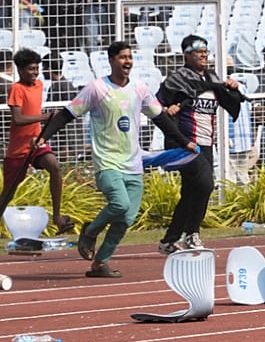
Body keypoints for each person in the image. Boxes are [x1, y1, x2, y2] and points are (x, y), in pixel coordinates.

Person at [34, 42, 195, 278]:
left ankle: (100, 262)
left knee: (126, 218)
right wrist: (43, 137)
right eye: (122, 57)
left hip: (134, 163)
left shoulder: (140, 89)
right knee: (120, 204)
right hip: (107, 162)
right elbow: (67, 114)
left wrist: (184, 142)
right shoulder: (97, 88)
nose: (127, 61)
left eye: (130, 57)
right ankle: (90, 231)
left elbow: (160, 118)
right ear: (111, 60)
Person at [155, 35, 246, 254]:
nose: (204, 55)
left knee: (192, 192)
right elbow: (155, 105)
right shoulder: (176, 79)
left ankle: (170, 240)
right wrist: (168, 111)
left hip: (206, 144)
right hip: (186, 144)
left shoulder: (212, 78)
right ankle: (192, 233)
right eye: (199, 52)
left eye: (206, 51)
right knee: (206, 184)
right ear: (187, 54)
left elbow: (228, 99)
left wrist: (232, 88)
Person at [0, 49, 72, 236]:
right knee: (8, 193)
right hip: (18, 149)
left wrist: (42, 133)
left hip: (36, 142)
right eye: (31, 69)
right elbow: (17, 119)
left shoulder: (39, 85)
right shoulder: (16, 89)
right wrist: (46, 116)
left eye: (37, 68)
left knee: (54, 167)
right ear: (20, 70)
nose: (35, 72)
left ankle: (58, 218)